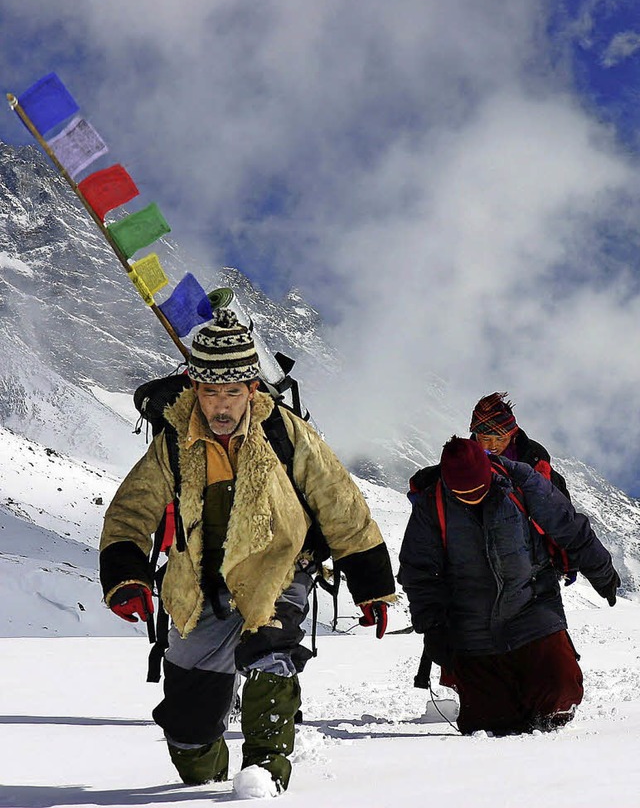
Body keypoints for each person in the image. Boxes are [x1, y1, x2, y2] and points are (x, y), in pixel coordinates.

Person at [99, 309, 396, 797]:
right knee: (189, 732)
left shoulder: (286, 433)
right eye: (211, 391)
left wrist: (372, 587)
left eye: (232, 391)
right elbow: (131, 513)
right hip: (202, 585)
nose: (221, 404)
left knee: (270, 653)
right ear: (195, 387)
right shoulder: (173, 442)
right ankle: (204, 779)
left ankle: (265, 778)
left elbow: (342, 506)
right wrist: (128, 577)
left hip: (279, 569)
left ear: (252, 389)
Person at [399, 436, 620, 736]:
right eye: (462, 494)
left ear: (488, 472)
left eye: (478, 490)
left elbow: (568, 525)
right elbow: (419, 573)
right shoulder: (431, 505)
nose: (472, 498)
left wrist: (601, 570)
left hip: (533, 607)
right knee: (490, 726)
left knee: (559, 694)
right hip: (472, 628)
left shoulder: (520, 481)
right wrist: (434, 626)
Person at [469, 391, 569, 498]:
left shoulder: (534, 456)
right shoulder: (464, 458)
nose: (493, 445)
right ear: (477, 436)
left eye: (500, 439)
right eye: (486, 438)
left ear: (512, 434)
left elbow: (550, 499)